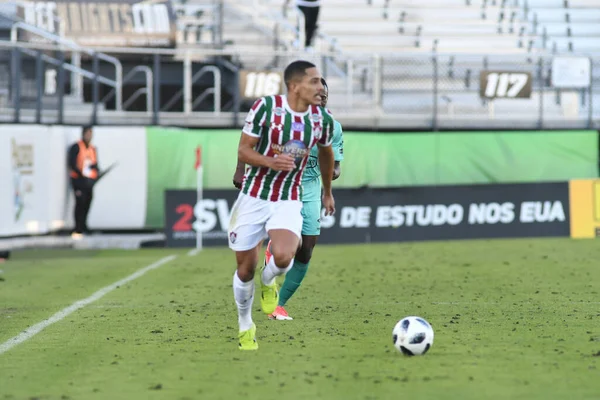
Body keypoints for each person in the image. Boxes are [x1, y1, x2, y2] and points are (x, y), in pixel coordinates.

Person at [229, 60, 336, 351]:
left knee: (286, 256)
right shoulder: (265, 108)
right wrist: (270, 161)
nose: (320, 87)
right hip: (254, 195)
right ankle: (245, 323)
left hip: (288, 196)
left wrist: (327, 191)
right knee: (244, 270)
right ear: (294, 86)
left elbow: (326, 154)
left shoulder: (321, 120)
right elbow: (244, 149)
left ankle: (269, 281)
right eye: (313, 81)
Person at [265, 77, 344, 320]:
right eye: (315, 92)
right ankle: (271, 256)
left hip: (311, 188)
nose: (320, 96)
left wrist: (328, 176)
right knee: (291, 242)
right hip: (286, 186)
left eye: (323, 92)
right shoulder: (286, 122)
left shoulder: (333, 126)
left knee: (307, 249)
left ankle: (278, 305)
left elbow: (336, 167)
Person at [68, 125, 99, 239]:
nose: (89, 136)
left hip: (89, 181)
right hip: (78, 180)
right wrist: (81, 175)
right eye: (87, 133)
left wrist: (95, 173)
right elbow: (72, 163)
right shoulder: (76, 147)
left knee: (87, 202)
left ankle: (84, 226)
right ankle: (78, 228)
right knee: (79, 203)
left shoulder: (92, 149)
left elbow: (95, 164)